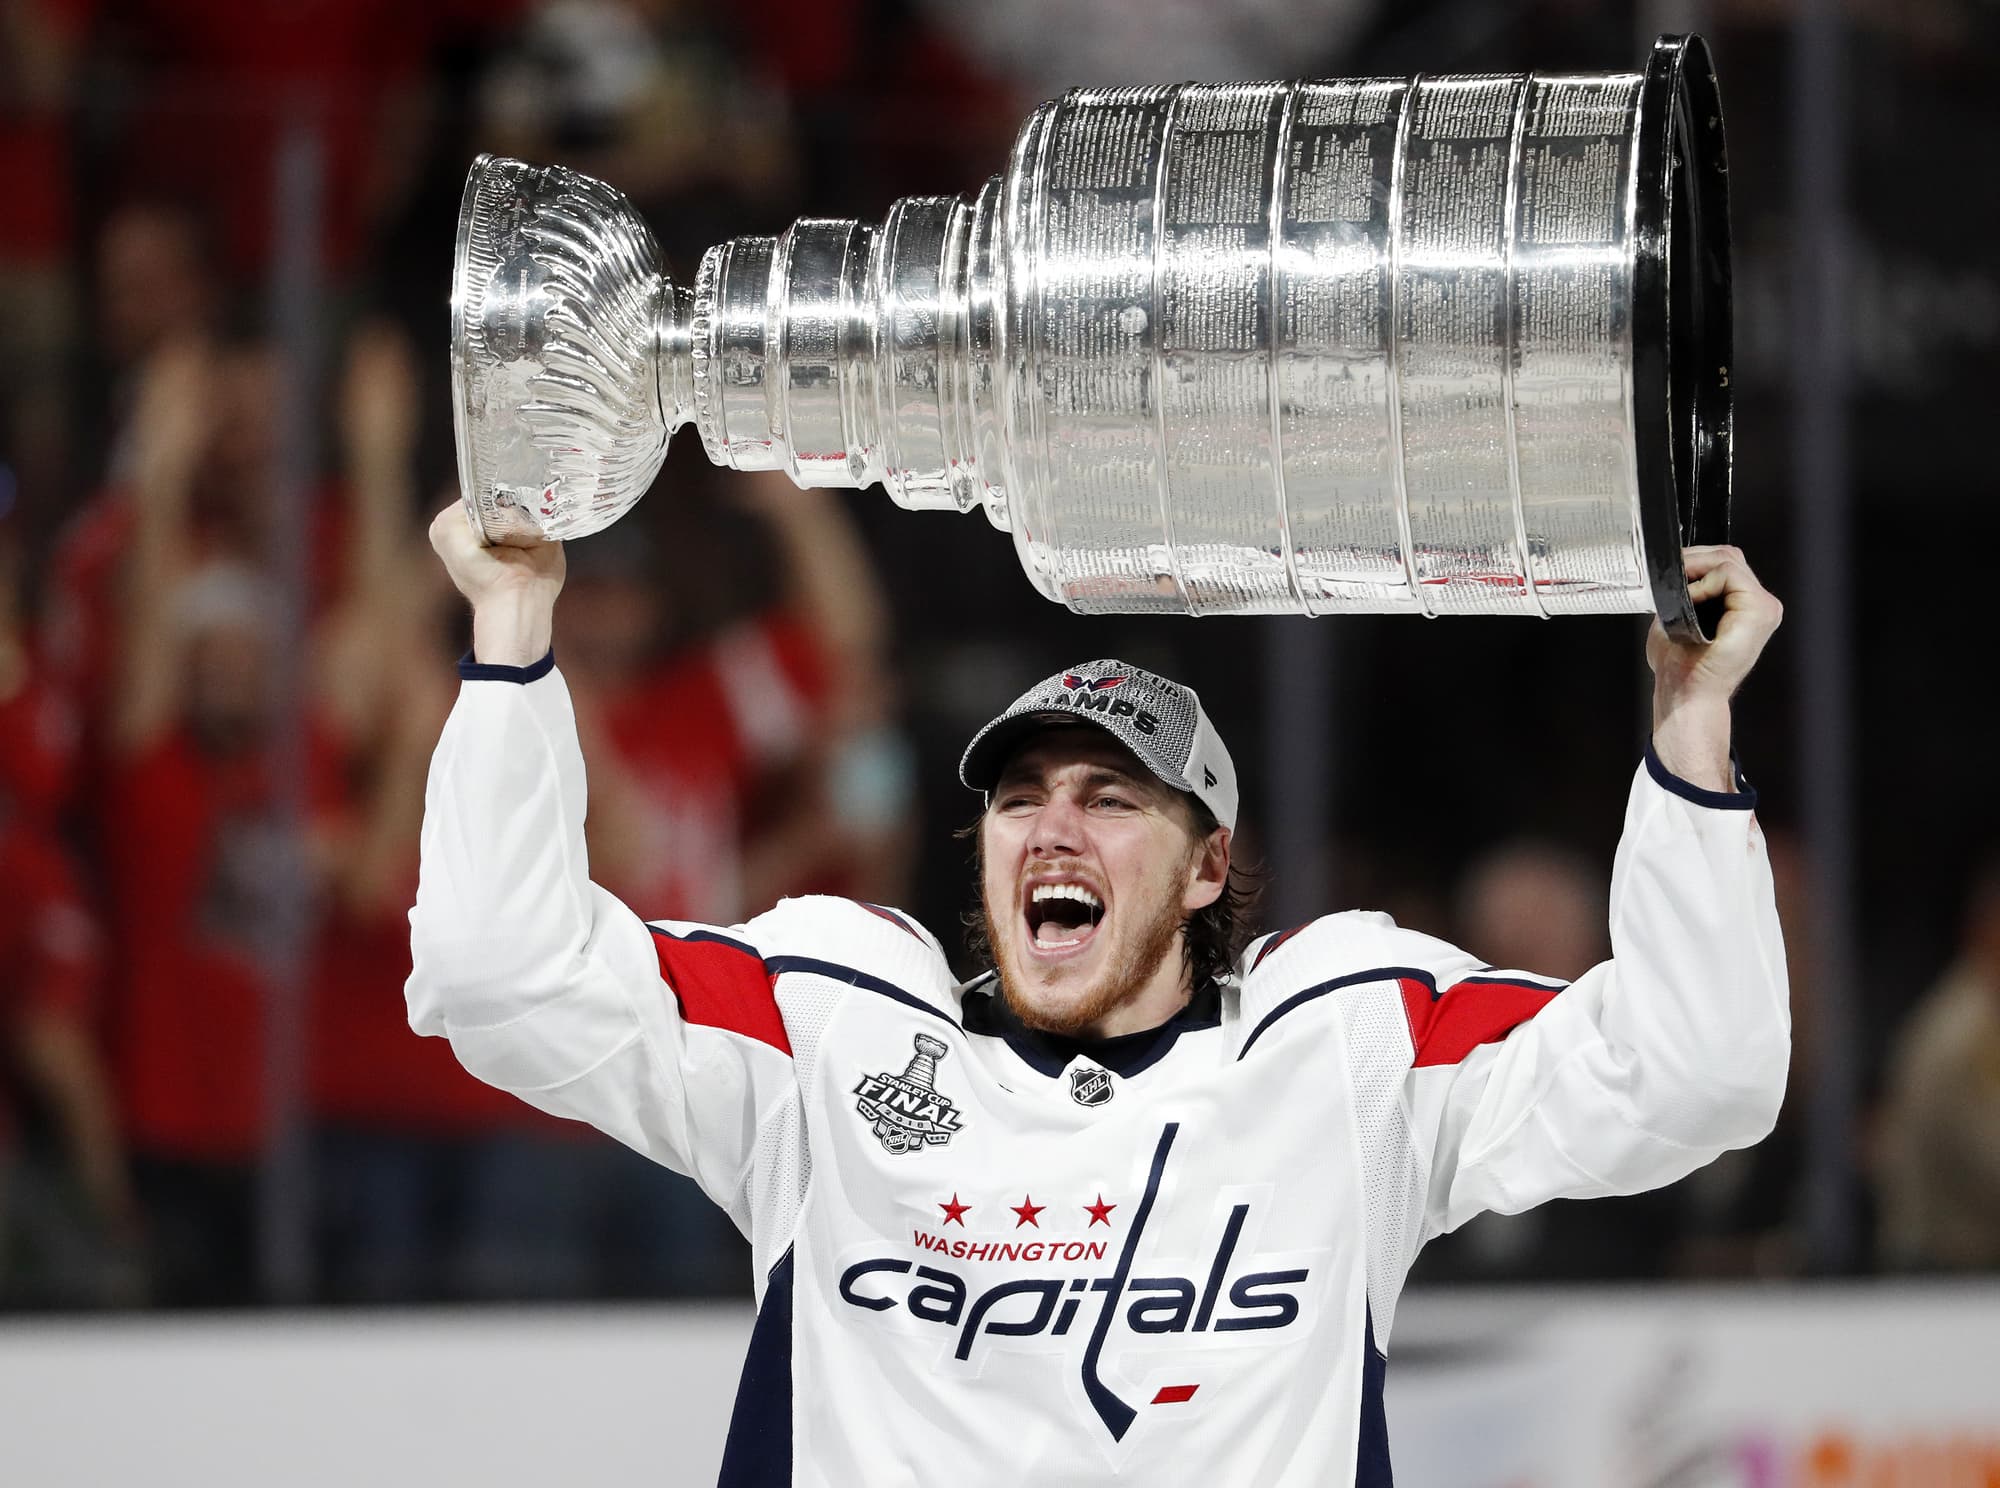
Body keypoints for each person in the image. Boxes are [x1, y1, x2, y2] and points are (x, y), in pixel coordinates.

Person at [409, 508, 1789, 1486]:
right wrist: (515, 630)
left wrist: (1690, 729)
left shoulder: (1348, 1041)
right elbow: (498, 974)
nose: (1050, 829)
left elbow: (1697, 1072)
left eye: (1109, 799)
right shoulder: (831, 1025)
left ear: (1206, 869)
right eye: (1019, 799)